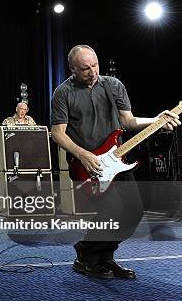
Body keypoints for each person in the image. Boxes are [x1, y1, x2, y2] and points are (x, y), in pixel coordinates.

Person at [51, 44, 179, 279]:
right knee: (110, 211)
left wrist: (157, 119)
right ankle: (86, 257)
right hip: (88, 165)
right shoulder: (63, 92)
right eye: (85, 68)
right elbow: (58, 133)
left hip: (116, 160)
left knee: (133, 212)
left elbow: (128, 122)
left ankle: (105, 257)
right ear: (72, 69)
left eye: (95, 65)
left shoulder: (113, 85)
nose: (92, 71)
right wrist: (83, 154)